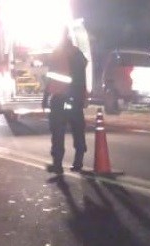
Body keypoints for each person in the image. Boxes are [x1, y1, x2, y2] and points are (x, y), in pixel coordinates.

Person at [42, 32, 88, 175]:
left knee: (57, 132)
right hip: (75, 99)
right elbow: (82, 76)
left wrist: (45, 97)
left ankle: (57, 164)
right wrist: (82, 97)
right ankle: (78, 162)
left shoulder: (57, 54)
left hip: (59, 98)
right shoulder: (78, 54)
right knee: (78, 130)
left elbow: (51, 77)